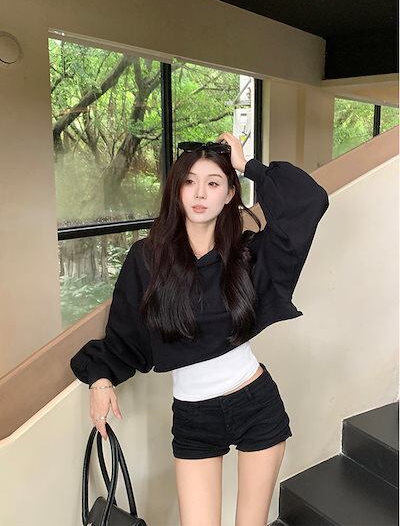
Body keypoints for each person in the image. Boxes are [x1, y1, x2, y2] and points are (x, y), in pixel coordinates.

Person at [70, 132, 329, 525]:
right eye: (189, 181)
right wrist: (100, 379)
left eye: (213, 182)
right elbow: (124, 336)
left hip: (255, 404)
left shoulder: (245, 256)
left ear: (229, 194)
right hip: (194, 418)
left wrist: (246, 165)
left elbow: (307, 201)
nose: (200, 193)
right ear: (176, 190)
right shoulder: (147, 259)